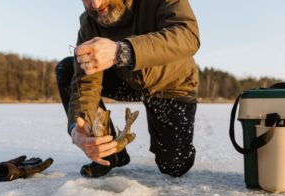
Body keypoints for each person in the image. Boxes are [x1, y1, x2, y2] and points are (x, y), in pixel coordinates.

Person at [56, 0, 200, 178]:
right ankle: (112, 153)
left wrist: (122, 51)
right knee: (68, 69)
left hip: (171, 85)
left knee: (174, 166)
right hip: (127, 80)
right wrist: (78, 128)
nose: (94, 4)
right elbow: (85, 84)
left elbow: (187, 35)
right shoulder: (89, 23)